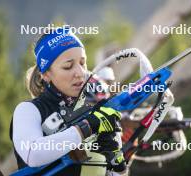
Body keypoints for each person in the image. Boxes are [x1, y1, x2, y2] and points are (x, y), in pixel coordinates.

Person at [9, 27, 126, 176]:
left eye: (82, 63)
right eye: (68, 66)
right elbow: (33, 153)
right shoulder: (28, 110)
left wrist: (117, 159)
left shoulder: (92, 108)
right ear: (45, 74)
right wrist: (87, 127)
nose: (80, 73)